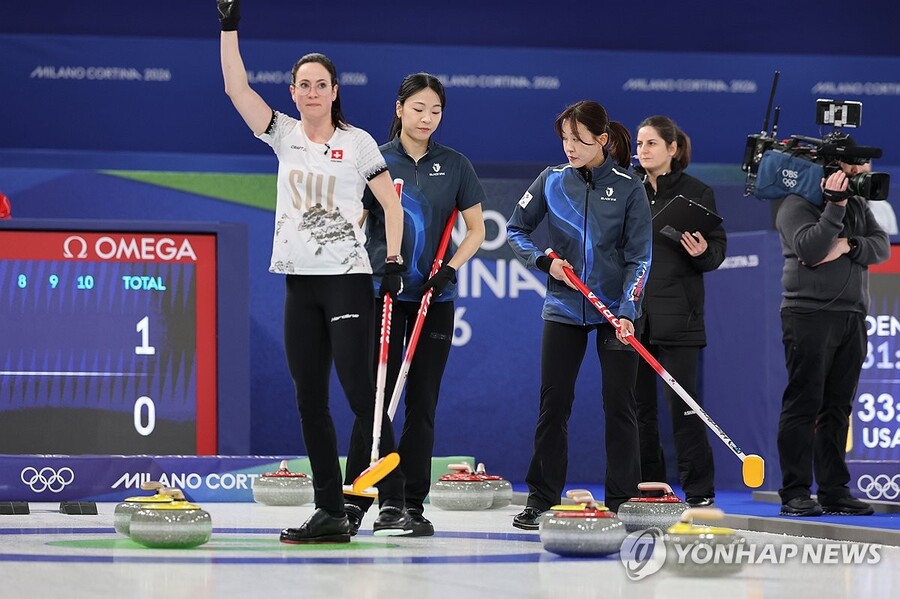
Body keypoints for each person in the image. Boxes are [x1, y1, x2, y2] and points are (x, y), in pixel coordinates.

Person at [218, 0, 411, 542]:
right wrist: (229, 27)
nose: (310, 92)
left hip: (347, 280)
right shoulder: (283, 134)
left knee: (360, 398)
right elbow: (237, 90)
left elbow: (389, 206)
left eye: (319, 84)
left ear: (334, 91)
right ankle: (331, 509)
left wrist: (391, 261)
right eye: (302, 84)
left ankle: (393, 502)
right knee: (309, 400)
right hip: (298, 285)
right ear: (293, 93)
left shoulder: (358, 143)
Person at [342, 73, 487, 537]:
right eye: (418, 108)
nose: (427, 118)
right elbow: (355, 221)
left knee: (421, 402)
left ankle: (409, 503)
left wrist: (449, 269)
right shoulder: (375, 160)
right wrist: (369, 267)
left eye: (436, 111)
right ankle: (356, 499)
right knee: (375, 401)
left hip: (433, 298)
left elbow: (477, 231)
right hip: (383, 291)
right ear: (400, 108)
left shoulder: (456, 165)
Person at [506, 100, 652, 528]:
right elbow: (515, 229)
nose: (569, 147)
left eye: (579, 139)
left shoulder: (629, 186)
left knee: (620, 405)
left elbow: (639, 257)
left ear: (602, 140)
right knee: (554, 406)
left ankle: (622, 501)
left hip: (614, 315)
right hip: (564, 308)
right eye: (565, 139)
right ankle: (541, 498)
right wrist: (544, 262)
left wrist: (628, 311)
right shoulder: (551, 180)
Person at [775, 162, 889, 516]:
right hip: (808, 314)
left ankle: (833, 490)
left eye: (863, 164)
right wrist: (834, 208)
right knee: (804, 402)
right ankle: (795, 490)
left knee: (838, 407)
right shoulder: (796, 203)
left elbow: (881, 247)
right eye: (851, 164)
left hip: (851, 315)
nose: (859, 170)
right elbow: (810, 249)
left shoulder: (859, 204)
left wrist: (848, 245)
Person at [632, 116, 726, 507]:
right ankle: (650, 489)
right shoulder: (626, 190)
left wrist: (703, 251)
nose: (643, 150)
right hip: (632, 318)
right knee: (638, 412)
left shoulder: (696, 192)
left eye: (652, 143)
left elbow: (716, 252)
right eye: (639, 143)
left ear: (673, 149)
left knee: (685, 408)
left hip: (679, 320)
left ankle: (700, 492)